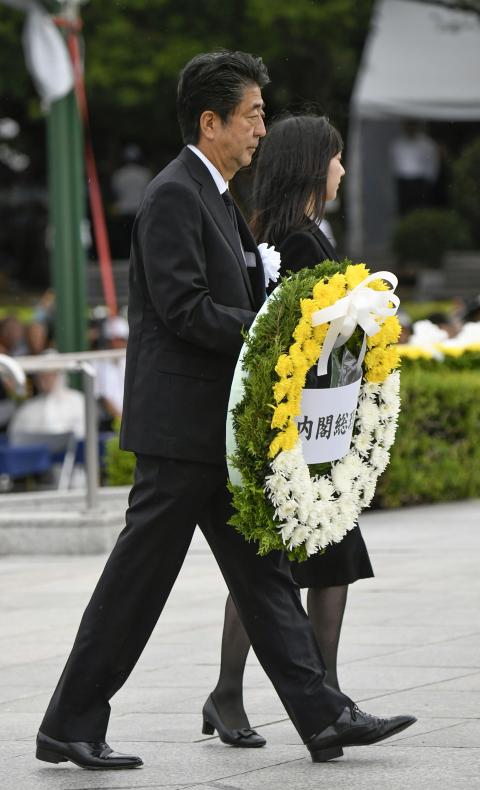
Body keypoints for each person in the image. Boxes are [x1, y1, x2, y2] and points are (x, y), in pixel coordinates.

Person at [35, 51, 415, 771]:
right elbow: (183, 309)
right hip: (180, 434)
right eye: (253, 117)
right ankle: (69, 722)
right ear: (211, 122)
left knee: (264, 573)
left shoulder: (215, 197)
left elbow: (233, 303)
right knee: (136, 584)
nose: (261, 132)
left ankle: (323, 714)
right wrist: (281, 334)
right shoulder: (176, 194)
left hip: (215, 431)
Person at [205, 114, 375, 746]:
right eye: (336, 157)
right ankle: (323, 701)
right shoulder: (298, 240)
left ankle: (254, 695)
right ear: (313, 165)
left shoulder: (289, 232)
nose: (342, 169)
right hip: (303, 433)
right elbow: (308, 334)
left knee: (288, 565)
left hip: (308, 427)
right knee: (297, 563)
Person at [390, 121, 440, 215]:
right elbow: (395, 163)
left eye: (412, 125)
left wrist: (429, 182)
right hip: (403, 181)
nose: (410, 128)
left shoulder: (426, 143)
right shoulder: (398, 143)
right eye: (407, 125)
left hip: (420, 181)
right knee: (404, 210)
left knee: (421, 209)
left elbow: (432, 164)